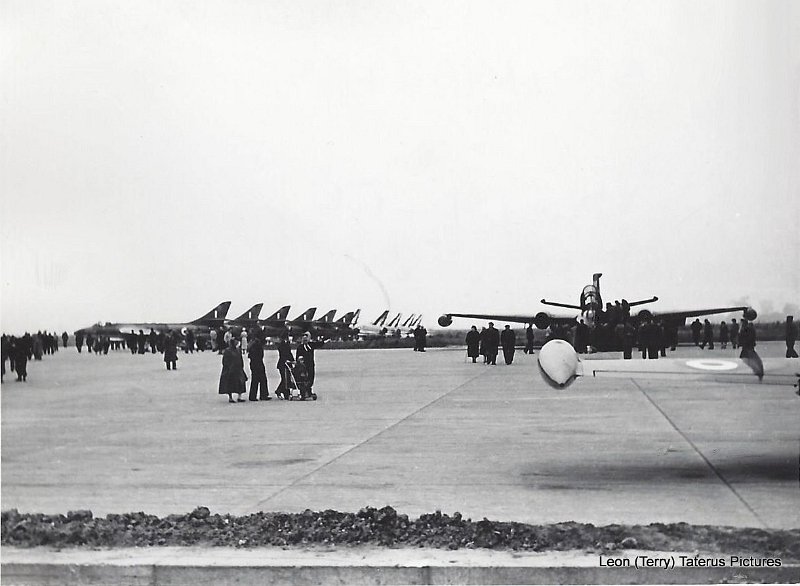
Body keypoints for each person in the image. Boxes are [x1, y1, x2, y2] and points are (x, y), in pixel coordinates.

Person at [219, 338, 247, 403]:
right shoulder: (227, 351)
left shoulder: (238, 350)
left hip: (238, 369)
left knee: (240, 383)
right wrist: (228, 367)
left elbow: (240, 359)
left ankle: (239, 396)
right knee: (230, 384)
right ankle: (230, 397)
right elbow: (225, 361)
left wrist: (242, 367)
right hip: (230, 370)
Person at [247, 330, 270, 401]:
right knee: (262, 380)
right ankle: (263, 395)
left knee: (255, 380)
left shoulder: (253, 343)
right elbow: (258, 355)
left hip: (254, 363)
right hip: (258, 363)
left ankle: (253, 396)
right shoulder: (257, 344)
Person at [274, 332, 293, 400]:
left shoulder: (284, 344)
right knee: (285, 379)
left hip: (285, 363)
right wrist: (290, 360)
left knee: (286, 379)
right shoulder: (283, 345)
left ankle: (285, 393)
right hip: (283, 363)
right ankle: (279, 390)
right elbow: (286, 354)